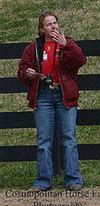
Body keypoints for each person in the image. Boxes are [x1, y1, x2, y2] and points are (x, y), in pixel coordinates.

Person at [17, 11, 86, 191]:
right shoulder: (33, 48)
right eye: (49, 24)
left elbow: (80, 61)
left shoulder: (67, 42)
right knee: (44, 140)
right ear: (42, 29)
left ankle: (73, 179)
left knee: (69, 138)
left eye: (55, 23)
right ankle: (43, 181)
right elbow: (22, 72)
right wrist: (28, 73)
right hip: (43, 96)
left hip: (64, 95)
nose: (53, 26)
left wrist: (66, 46)